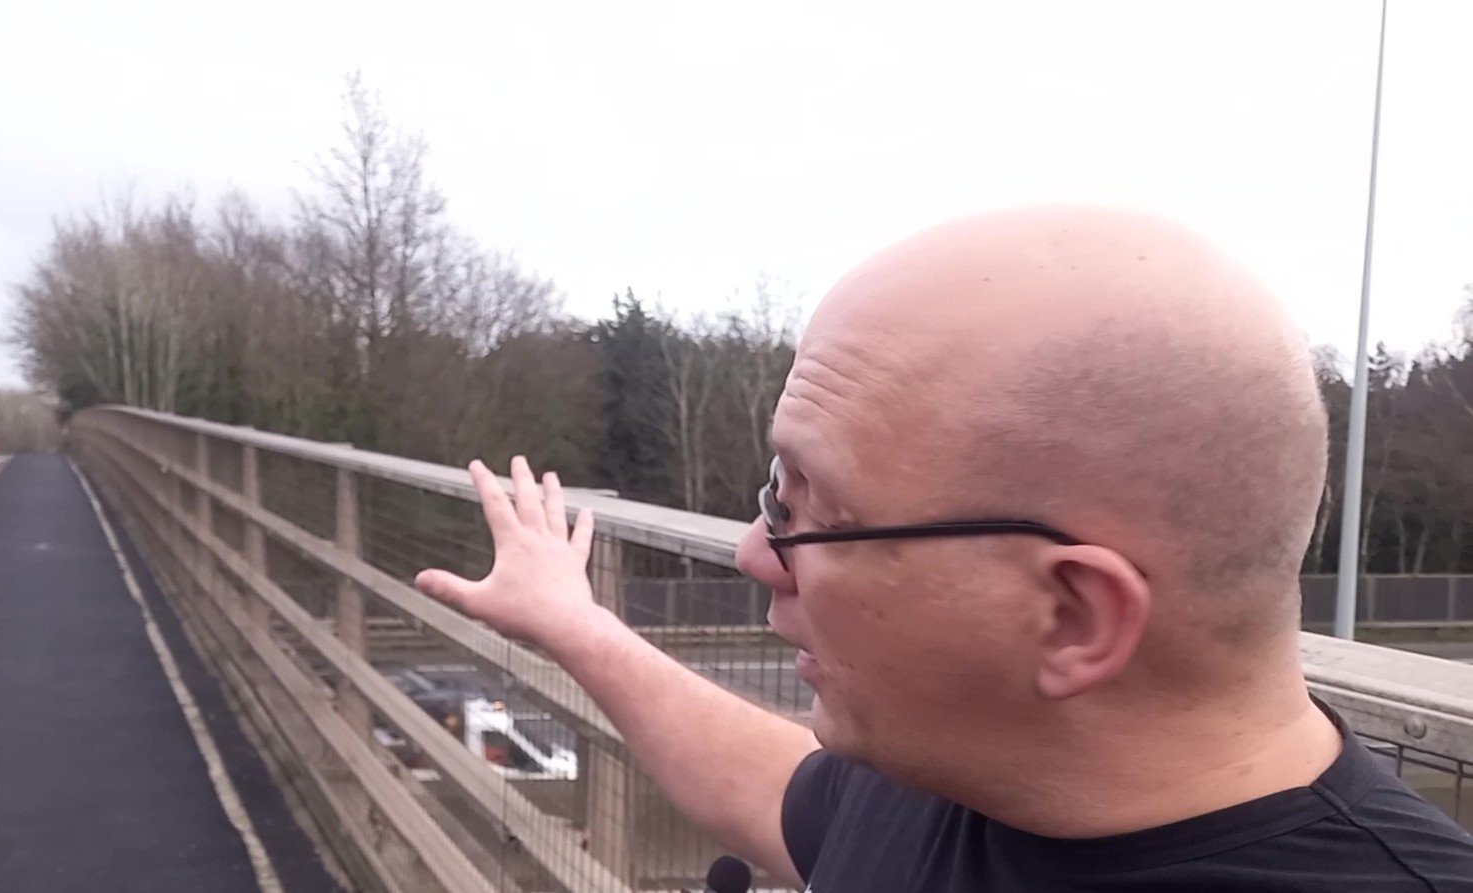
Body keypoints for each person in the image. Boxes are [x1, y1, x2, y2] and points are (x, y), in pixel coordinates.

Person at [415, 206, 1473, 891]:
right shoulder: (965, 768)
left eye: (805, 506)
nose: (754, 551)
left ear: (1068, 616)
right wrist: (571, 620)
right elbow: (780, 789)